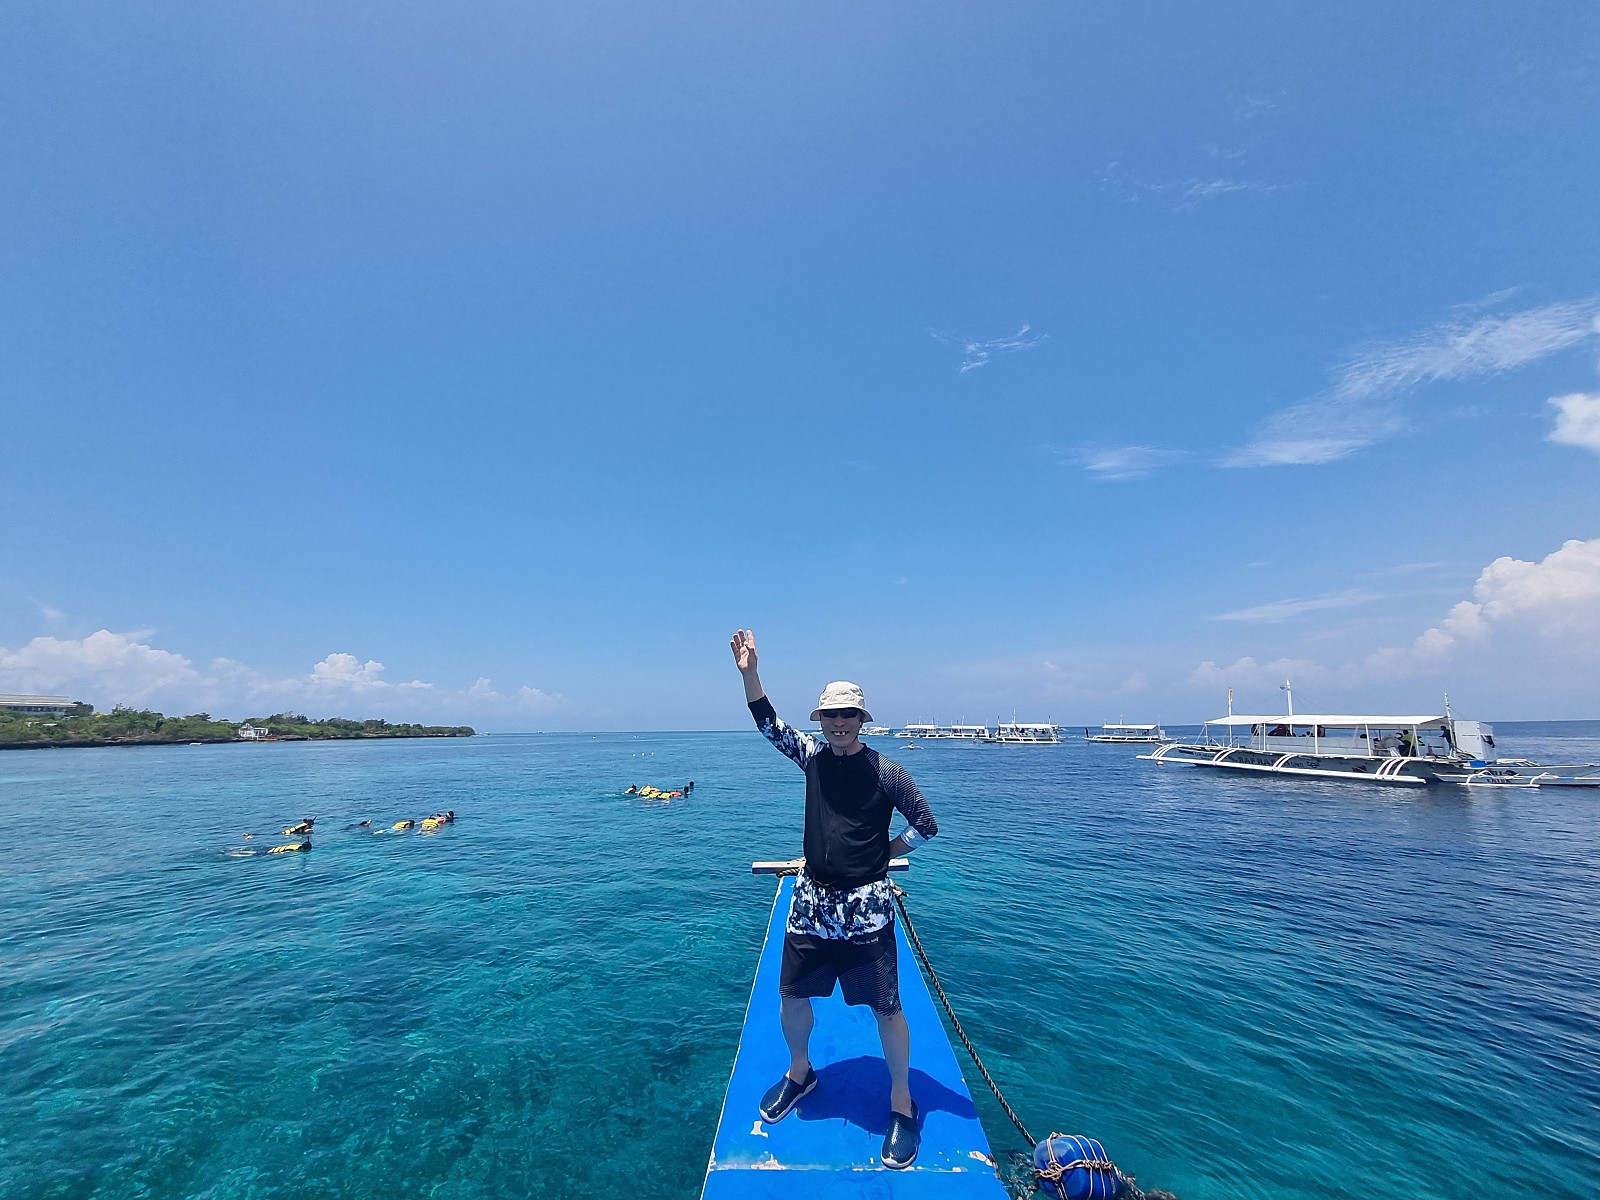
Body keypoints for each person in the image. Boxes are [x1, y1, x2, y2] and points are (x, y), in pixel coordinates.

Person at [729, 628, 939, 1170]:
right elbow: (768, 723)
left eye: (848, 714)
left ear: (861, 720)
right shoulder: (814, 759)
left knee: (886, 1007)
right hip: (811, 902)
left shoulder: (885, 771)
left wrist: (885, 852)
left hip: (866, 907)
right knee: (792, 995)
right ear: (820, 720)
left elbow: (925, 822)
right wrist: (751, 673)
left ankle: (901, 1102)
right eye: (830, 715)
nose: (839, 722)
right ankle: (801, 1072)